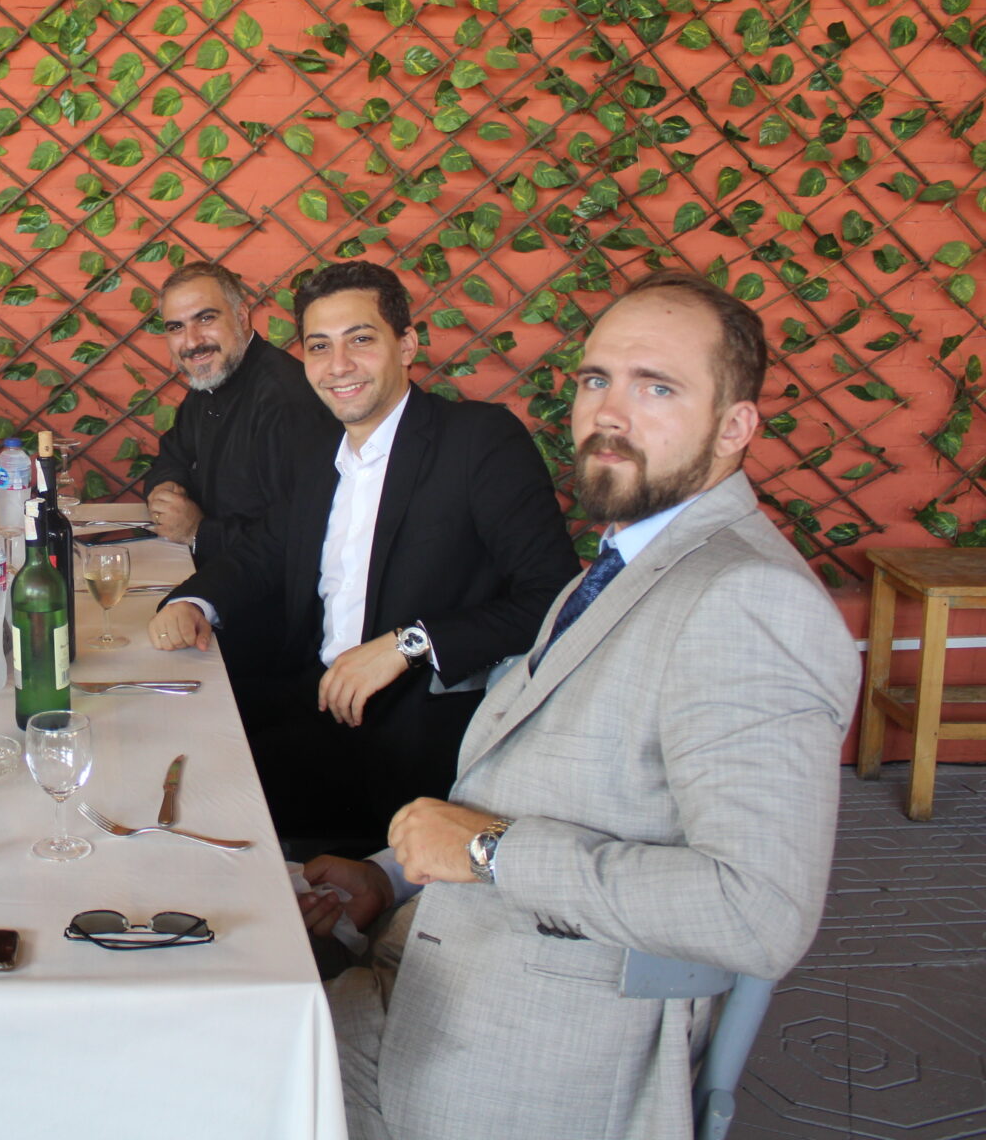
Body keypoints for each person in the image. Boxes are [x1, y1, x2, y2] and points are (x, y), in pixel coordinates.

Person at [304, 268, 860, 1140]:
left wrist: (486, 852)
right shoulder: (617, 567)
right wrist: (390, 873)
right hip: (428, 968)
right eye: (597, 380)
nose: (610, 412)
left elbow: (757, 911)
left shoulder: (749, 599)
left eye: (657, 387)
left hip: (527, 1055)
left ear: (735, 427)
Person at [151, 261, 578, 846]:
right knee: (168, 766)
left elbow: (554, 599)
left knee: (203, 818)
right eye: (319, 346)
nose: (338, 365)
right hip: (315, 706)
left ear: (407, 345)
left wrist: (409, 644)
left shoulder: (478, 441)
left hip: (417, 737)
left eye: (360, 340)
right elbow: (268, 548)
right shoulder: (322, 449)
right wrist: (195, 600)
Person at [141, 260, 339, 570]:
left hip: (265, 593)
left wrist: (198, 532)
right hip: (212, 572)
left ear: (241, 316)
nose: (191, 342)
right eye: (176, 327)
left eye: (205, 318)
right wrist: (166, 489)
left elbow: (299, 535)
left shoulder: (284, 401)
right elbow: (172, 456)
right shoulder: (212, 378)